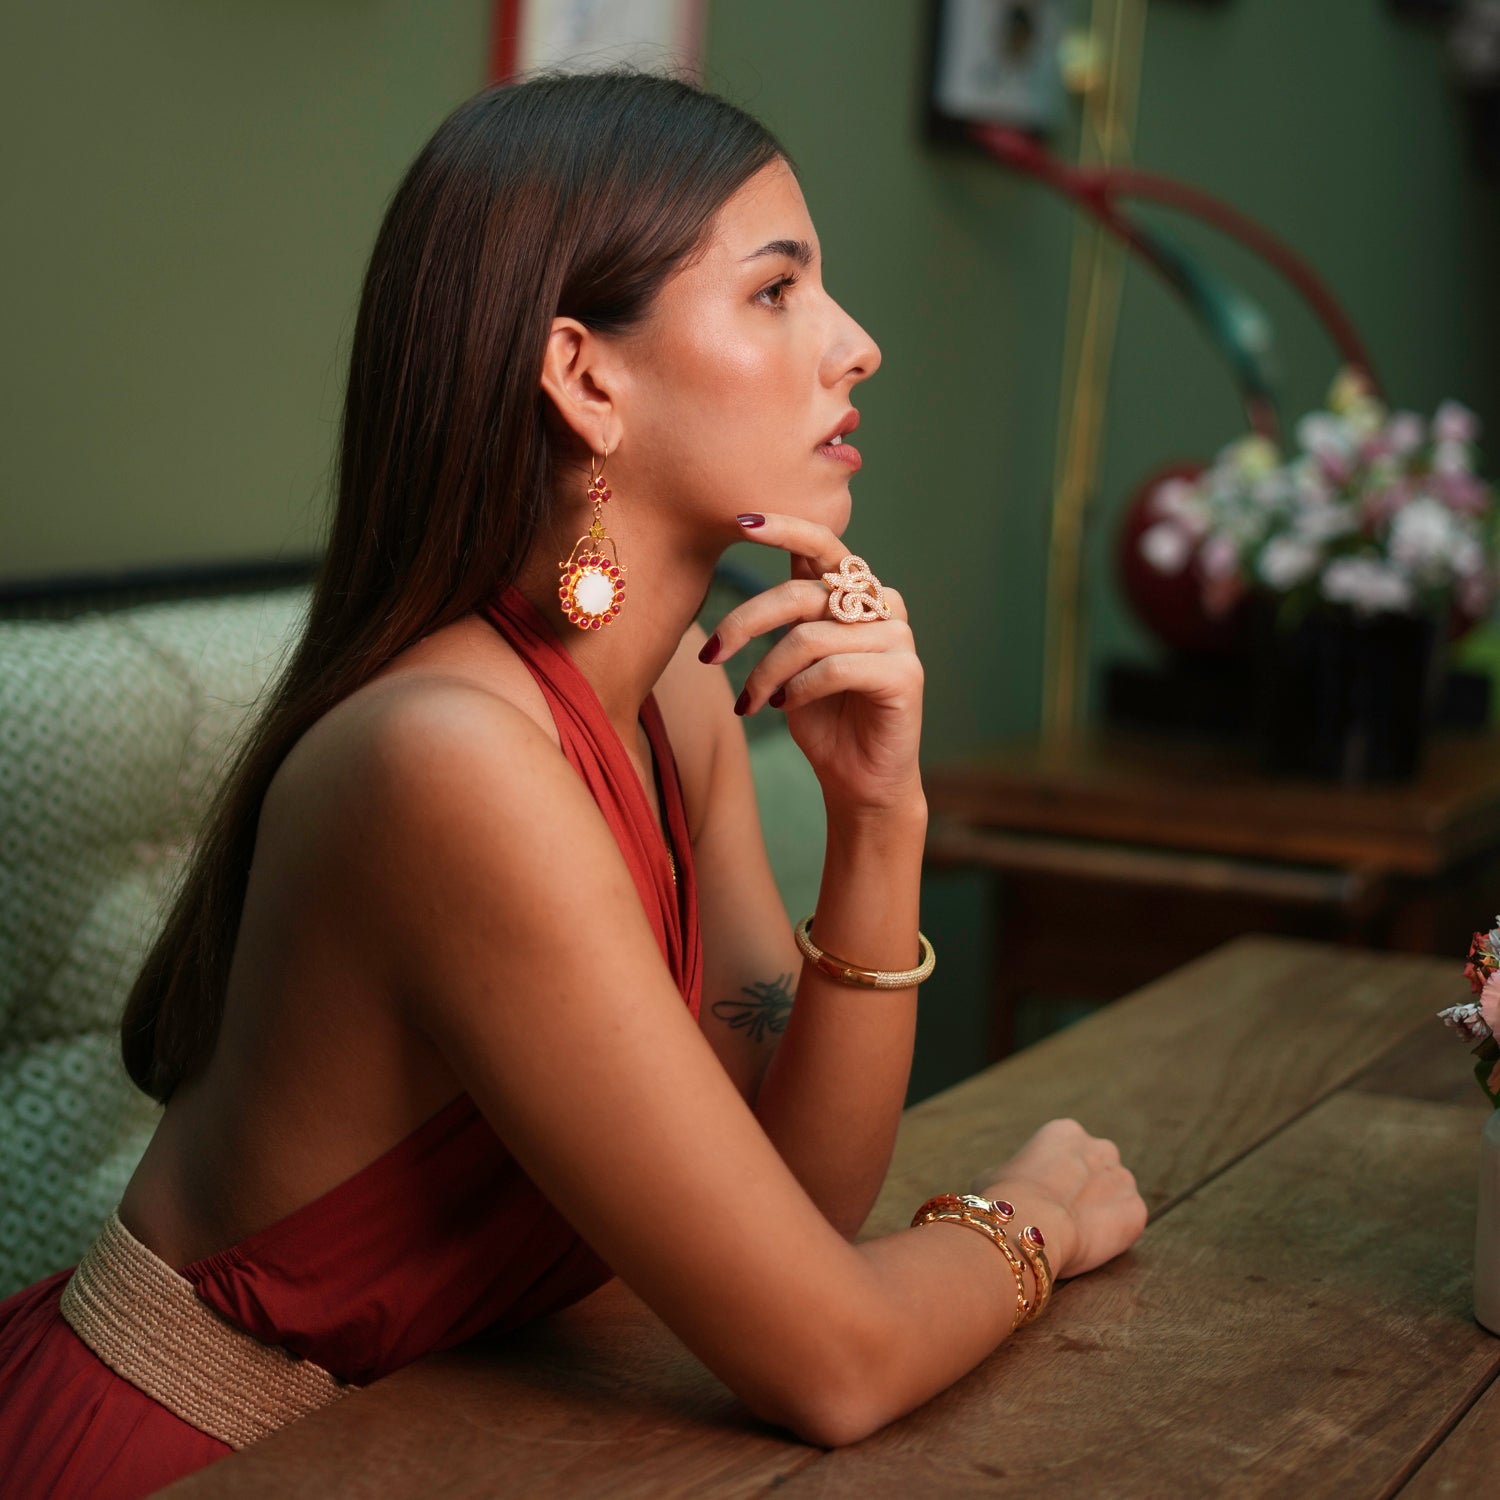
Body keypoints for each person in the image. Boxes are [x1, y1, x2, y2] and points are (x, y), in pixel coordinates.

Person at [0, 70, 1146, 1497]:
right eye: (777, 292)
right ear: (585, 376)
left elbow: (795, 1207)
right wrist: (1024, 1216)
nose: (856, 347)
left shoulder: (674, 701)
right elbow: (833, 1360)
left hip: (425, 1449)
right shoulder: (449, 761)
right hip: (184, 1459)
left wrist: (878, 819)